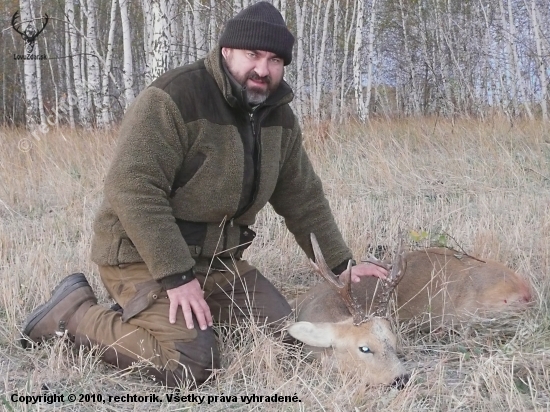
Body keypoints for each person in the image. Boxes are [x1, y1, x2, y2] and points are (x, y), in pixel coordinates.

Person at [20, 2, 387, 387]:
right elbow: (132, 189)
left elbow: (302, 197)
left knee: (287, 338)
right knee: (192, 365)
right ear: (226, 50)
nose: (262, 69)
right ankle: (73, 313)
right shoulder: (174, 98)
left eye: (275, 59)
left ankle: (152, 313)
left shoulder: (278, 115)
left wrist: (342, 264)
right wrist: (177, 277)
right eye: (253, 55)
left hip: (217, 263)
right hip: (143, 256)